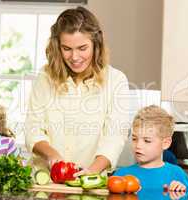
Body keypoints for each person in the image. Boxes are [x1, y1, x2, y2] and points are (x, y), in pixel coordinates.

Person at [25, 6, 129, 175]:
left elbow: (114, 136)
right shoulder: (45, 77)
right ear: (57, 47)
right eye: (67, 49)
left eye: (82, 48)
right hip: (45, 179)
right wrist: (53, 156)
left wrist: (91, 171)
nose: (74, 57)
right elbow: (33, 129)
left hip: (89, 180)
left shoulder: (116, 80)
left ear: (96, 45)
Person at [113, 105, 188, 192]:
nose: (138, 145)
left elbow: (185, 194)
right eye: (134, 139)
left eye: (147, 141)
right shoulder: (121, 175)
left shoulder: (177, 175)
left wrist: (180, 190)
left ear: (165, 143)